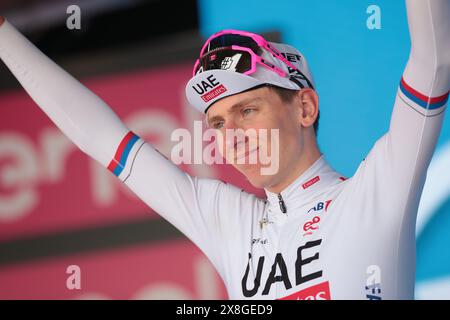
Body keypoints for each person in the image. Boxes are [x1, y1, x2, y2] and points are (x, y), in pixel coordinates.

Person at [0, 0, 449, 300]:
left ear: (305, 107)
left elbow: (433, 58)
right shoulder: (227, 219)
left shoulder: (376, 189)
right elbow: (104, 139)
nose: (230, 133)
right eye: (217, 122)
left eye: (248, 109)